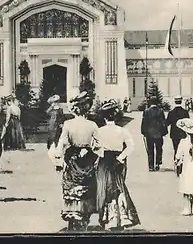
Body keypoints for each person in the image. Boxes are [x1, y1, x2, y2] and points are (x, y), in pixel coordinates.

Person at [54, 91, 99, 231]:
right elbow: (98, 144)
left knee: (72, 186)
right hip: (87, 159)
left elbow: (62, 143)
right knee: (86, 186)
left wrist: (58, 159)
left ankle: (72, 216)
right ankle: (84, 216)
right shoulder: (92, 125)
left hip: (72, 159)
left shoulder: (68, 124)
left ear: (75, 108)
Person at [94, 100, 140, 231]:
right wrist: (121, 158)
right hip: (118, 161)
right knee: (119, 187)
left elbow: (94, 147)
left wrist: (102, 154)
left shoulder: (99, 131)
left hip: (104, 161)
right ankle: (123, 218)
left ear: (104, 117)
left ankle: (109, 219)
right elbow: (131, 146)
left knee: (105, 188)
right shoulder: (122, 131)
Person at [140, 96, 167, 171]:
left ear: (150, 102)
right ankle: (157, 163)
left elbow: (144, 123)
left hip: (149, 134)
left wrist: (143, 132)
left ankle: (151, 166)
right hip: (159, 133)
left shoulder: (146, 111)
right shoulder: (160, 111)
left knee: (150, 150)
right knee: (159, 149)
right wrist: (164, 132)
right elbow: (163, 122)